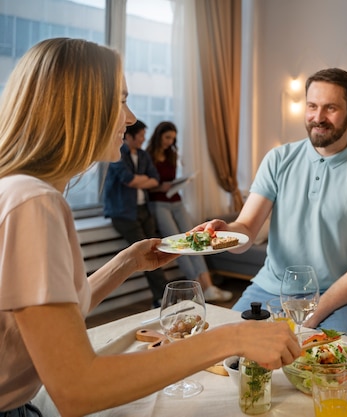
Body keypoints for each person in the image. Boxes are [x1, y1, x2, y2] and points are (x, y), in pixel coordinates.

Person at [0, 37, 299, 417]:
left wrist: (126, 263)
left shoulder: (16, 190)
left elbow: (58, 316)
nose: (130, 117)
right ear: (80, 105)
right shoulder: (34, 202)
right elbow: (78, 388)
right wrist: (233, 337)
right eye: (120, 99)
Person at [194, 68, 347, 342]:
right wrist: (225, 232)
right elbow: (247, 231)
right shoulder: (278, 159)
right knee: (223, 355)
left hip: (337, 298)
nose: (318, 118)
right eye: (312, 106)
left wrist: (311, 314)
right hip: (269, 290)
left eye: (330, 108)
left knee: (341, 370)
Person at [146, 121, 232, 302]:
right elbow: (149, 186)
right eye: (167, 137)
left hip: (176, 201)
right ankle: (197, 288)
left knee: (196, 242)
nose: (170, 142)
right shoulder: (148, 156)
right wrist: (161, 186)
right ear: (159, 135)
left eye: (173, 139)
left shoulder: (172, 154)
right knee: (178, 247)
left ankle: (209, 286)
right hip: (159, 204)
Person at [103, 119, 169, 307]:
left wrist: (141, 180)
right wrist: (142, 180)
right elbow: (128, 180)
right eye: (140, 136)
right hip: (124, 213)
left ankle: (161, 298)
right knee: (148, 255)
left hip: (143, 210)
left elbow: (155, 180)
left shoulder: (143, 155)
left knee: (158, 251)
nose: (143, 139)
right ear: (129, 136)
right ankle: (163, 299)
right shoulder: (116, 154)